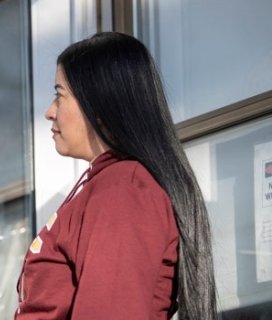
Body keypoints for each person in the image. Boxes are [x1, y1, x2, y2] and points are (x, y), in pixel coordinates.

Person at [15, 32, 217, 319]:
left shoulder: (123, 188)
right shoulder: (107, 184)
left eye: (59, 95)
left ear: (97, 105)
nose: (50, 112)